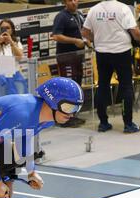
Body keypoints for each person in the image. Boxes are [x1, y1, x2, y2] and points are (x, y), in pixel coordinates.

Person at [82, 0, 140, 134]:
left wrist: (97, 38)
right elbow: (135, 32)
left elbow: (85, 32)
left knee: (102, 86)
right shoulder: (123, 9)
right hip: (122, 52)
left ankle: (103, 123)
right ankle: (128, 124)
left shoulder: (94, 10)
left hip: (102, 53)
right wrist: (139, 40)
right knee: (126, 86)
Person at [51, 0, 90, 128]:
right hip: (66, 57)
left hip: (78, 57)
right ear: (65, 2)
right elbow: (56, 36)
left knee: (76, 86)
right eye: (70, 0)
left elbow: (82, 33)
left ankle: (72, 115)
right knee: (67, 88)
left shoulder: (79, 15)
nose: (74, 2)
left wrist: (86, 42)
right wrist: (75, 41)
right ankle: (64, 119)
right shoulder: (61, 16)